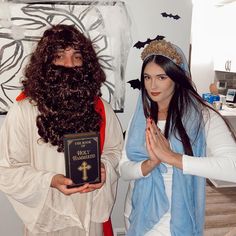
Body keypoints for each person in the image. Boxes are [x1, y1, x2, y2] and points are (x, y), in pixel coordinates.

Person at [0, 24, 123, 236]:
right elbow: (8, 170)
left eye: (76, 57)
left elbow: (116, 152)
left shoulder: (101, 108)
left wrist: (104, 168)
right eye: (59, 56)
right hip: (47, 220)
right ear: (46, 64)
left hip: (89, 218)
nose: (70, 65)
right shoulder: (23, 111)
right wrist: (50, 180)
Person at [119, 39, 236, 236]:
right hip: (136, 212)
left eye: (162, 77)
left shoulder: (203, 117)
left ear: (176, 78)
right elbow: (123, 169)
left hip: (175, 221)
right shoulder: (141, 118)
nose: (152, 85)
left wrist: (171, 157)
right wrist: (150, 164)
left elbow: (233, 168)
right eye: (147, 77)